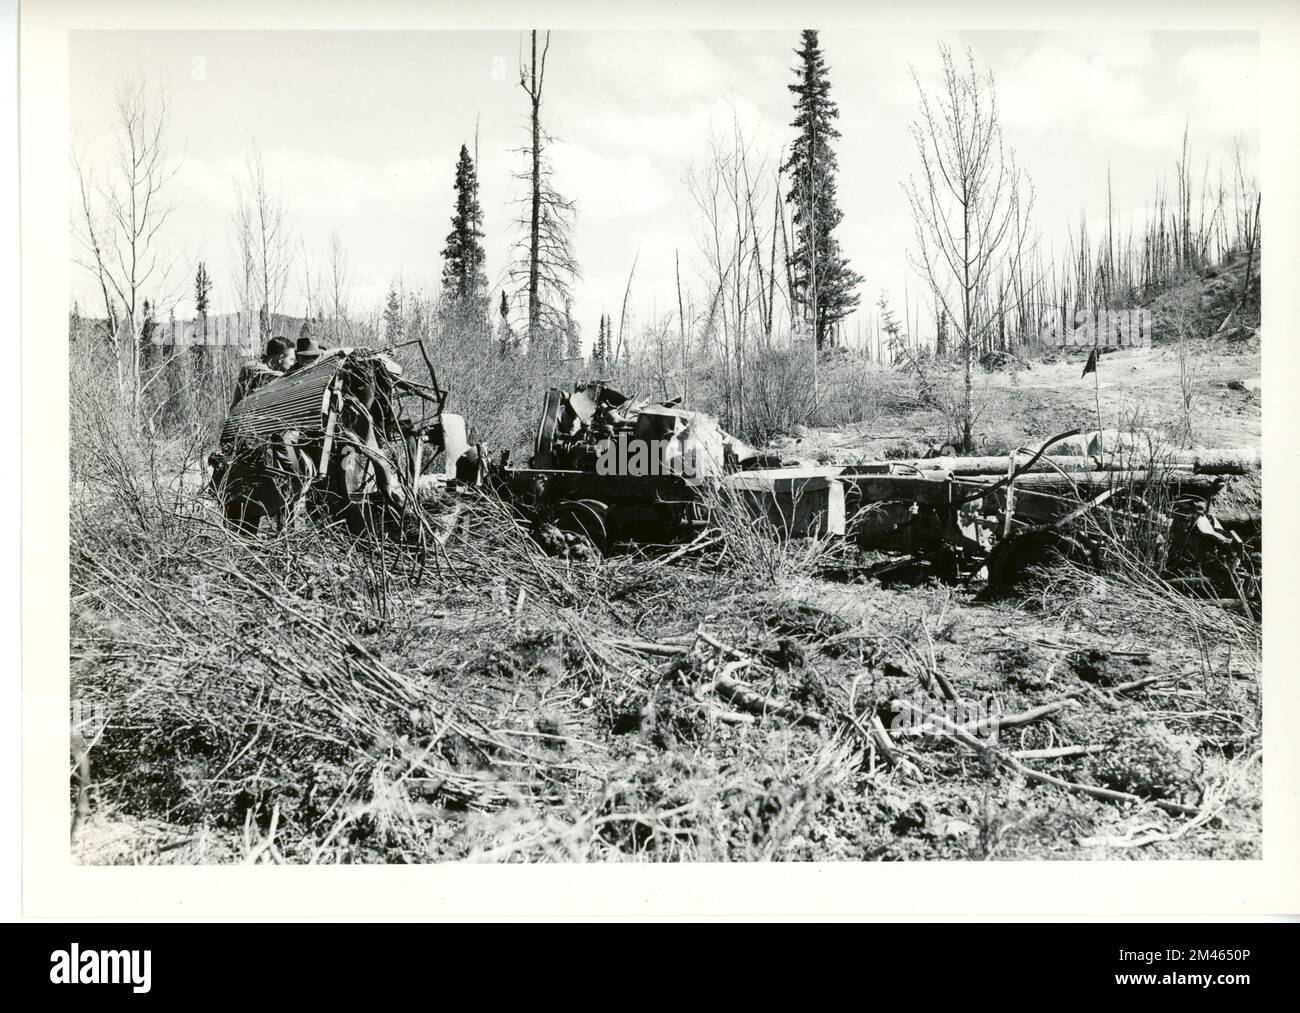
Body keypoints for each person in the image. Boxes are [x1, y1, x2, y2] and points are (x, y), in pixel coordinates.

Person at [230, 336, 293, 409]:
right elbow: (275, 376)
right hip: (239, 417)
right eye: (291, 359)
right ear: (281, 358)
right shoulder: (252, 367)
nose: (292, 364)